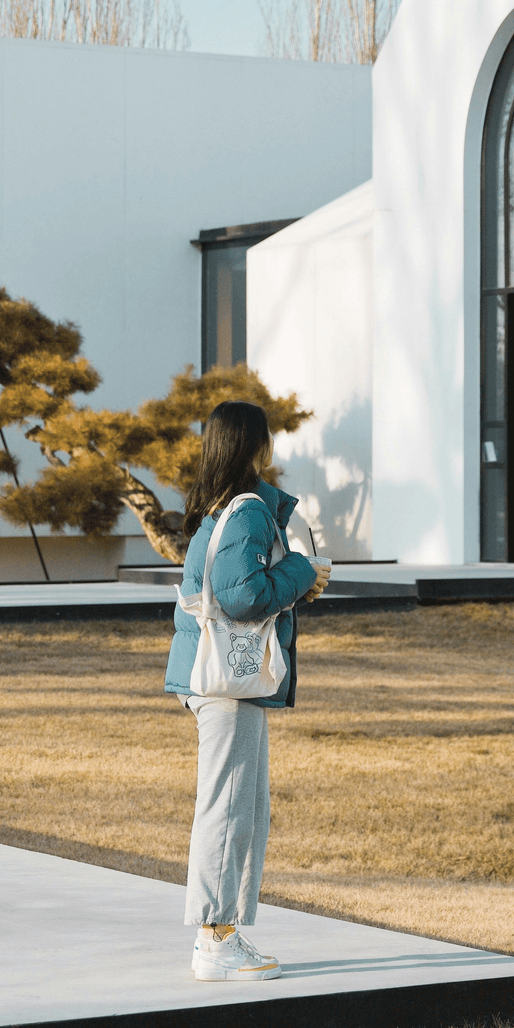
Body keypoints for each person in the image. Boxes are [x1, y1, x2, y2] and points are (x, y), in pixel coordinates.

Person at [164, 401, 332, 981]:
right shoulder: (251, 511)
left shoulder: (220, 508)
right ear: (253, 447)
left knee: (242, 808)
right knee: (231, 808)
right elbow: (241, 596)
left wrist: (292, 580)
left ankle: (224, 934)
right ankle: (215, 940)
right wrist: (305, 574)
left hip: (219, 680)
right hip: (228, 686)